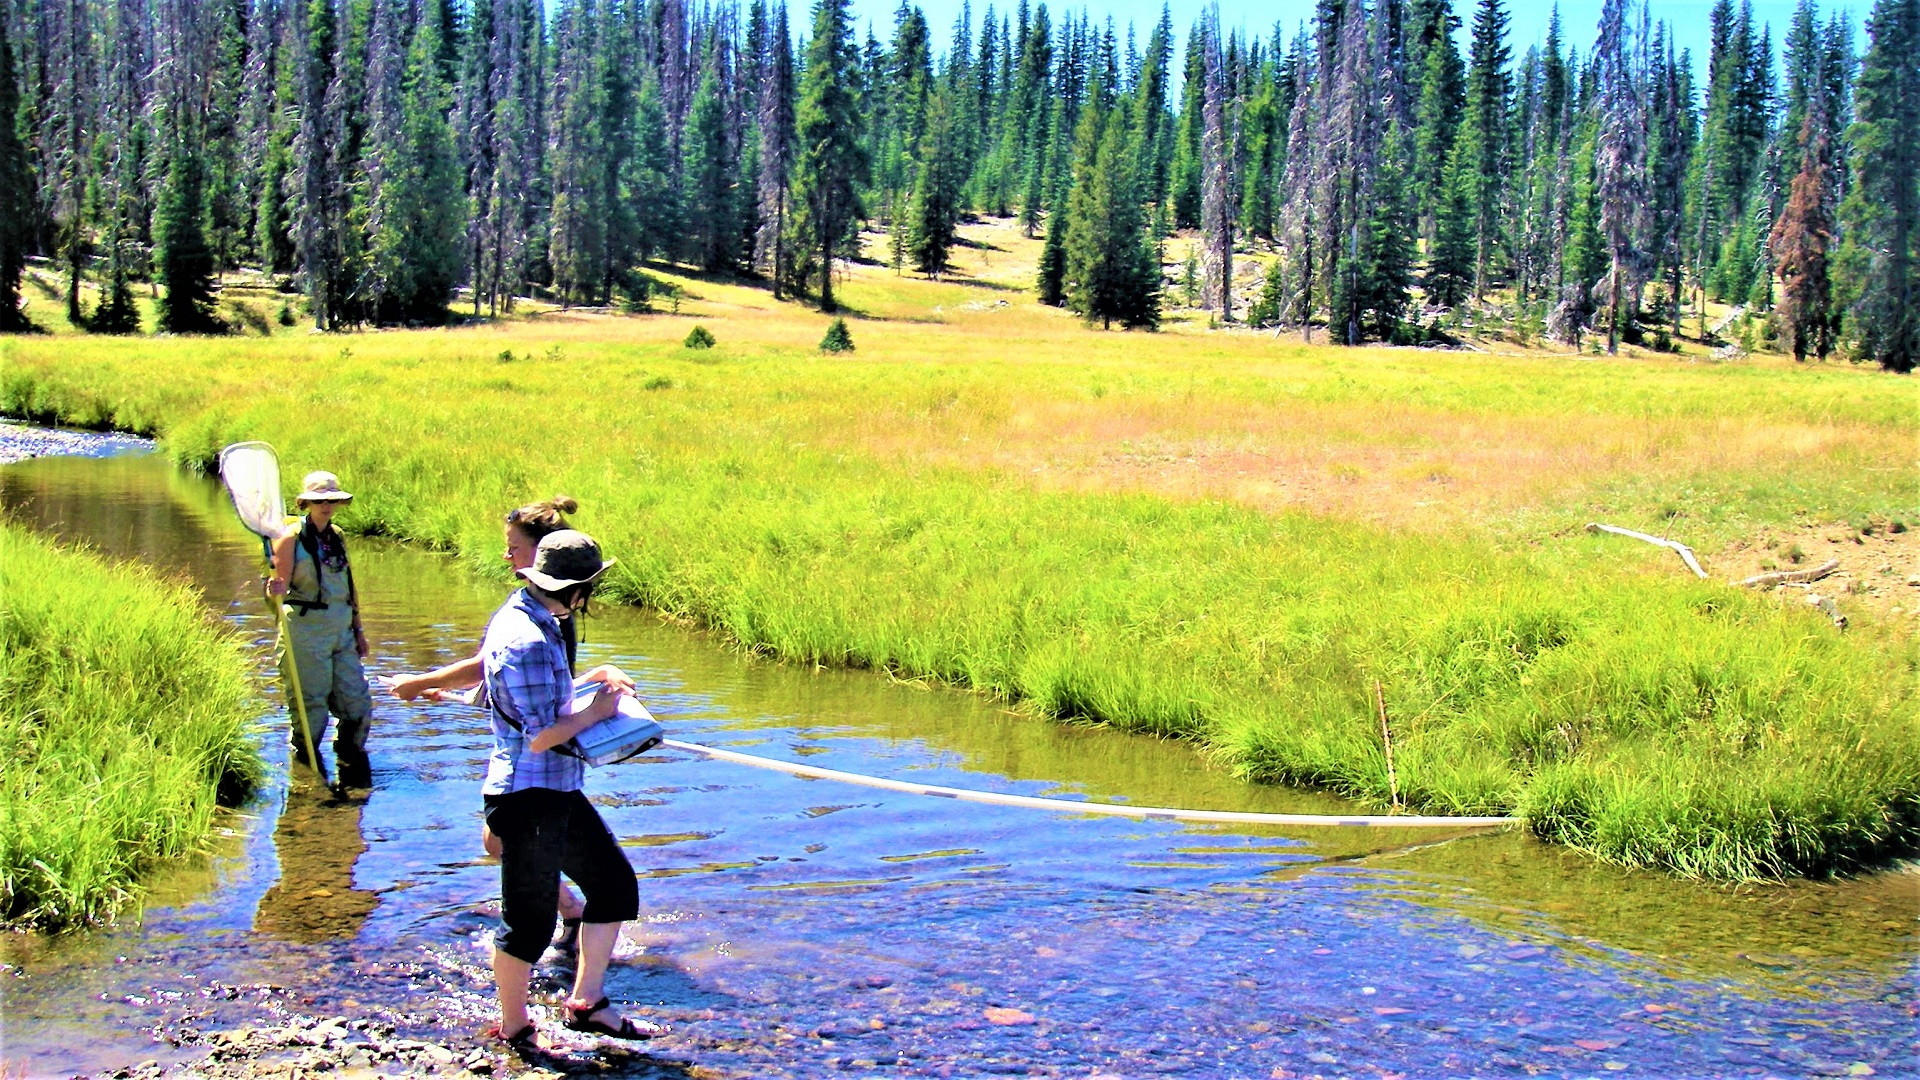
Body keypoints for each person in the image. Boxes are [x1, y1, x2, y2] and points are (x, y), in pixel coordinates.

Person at [384, 497, 628, 950]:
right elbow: (511, 679)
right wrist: (452, 693)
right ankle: (570, 916)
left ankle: (568, 917)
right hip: (538, 758)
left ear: (539, 555)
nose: (506, 555)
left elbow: (536, 690)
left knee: (505, 847)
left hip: (543, 764)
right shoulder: (534, 612)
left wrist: (421, 682)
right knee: (501, 845)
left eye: (512, 546)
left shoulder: (549, 617)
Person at [477, 529, 660, 1048]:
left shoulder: (533, 615)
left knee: (615, 886)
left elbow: (543, 704)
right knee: (529, 924)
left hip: (555, 789)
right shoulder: (530, 640)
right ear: (578, 587)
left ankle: (586, 1004)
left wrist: (596, 677)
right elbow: (540, 738)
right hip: (528, 795)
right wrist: (600, 711)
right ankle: (514, 1027)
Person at [268, 471, 375, 788]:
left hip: (341, 629)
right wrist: (271, 588)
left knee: (357, 703)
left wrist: (358, 630)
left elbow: (348, 586)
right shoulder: (289, 539)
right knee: (310, 707)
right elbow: (276, 593)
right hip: (305, 630)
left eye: (331, 500)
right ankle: (307, 776)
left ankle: (350, 760)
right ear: (306, 503)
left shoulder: (338, 535)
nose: (326, 506)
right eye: (319, 501)